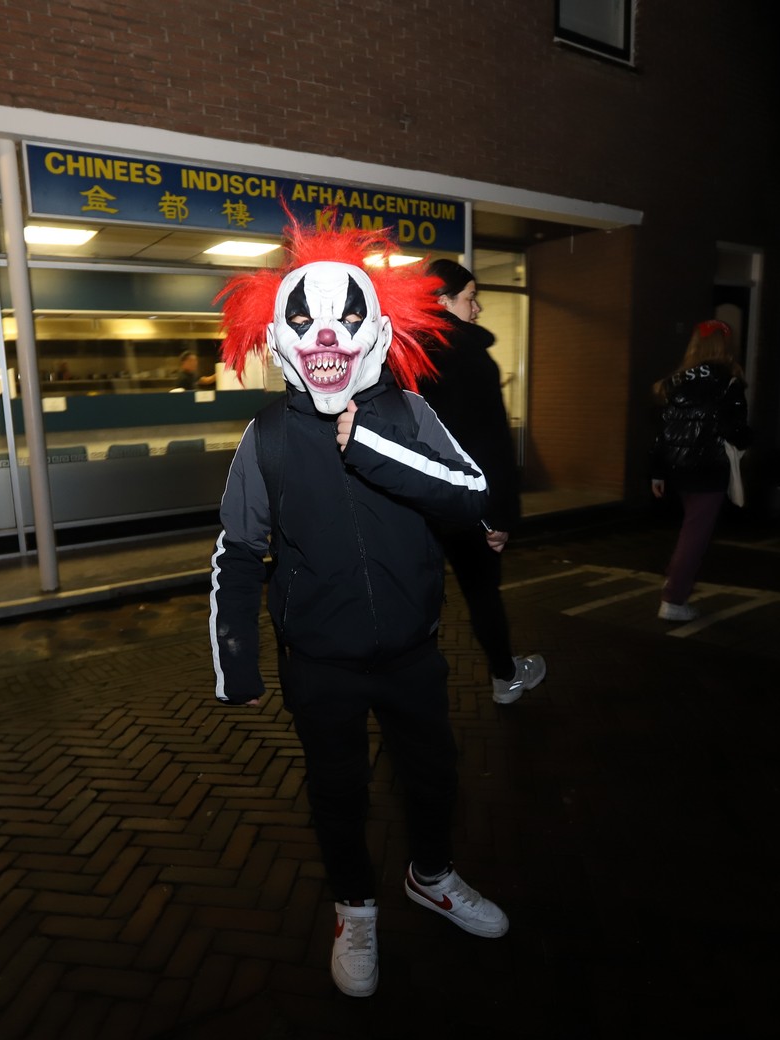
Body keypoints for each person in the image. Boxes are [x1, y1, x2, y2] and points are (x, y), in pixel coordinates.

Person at [209, 220, 510, 999]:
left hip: (413, 650)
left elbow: (470, 492)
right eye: (307, 322)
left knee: (434, 774)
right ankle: (356, 909)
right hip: (320, 662)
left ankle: (432, 877)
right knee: (337, 791)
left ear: (375, 328)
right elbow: (239, 549)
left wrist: (371, 444)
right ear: (281, 336)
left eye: (345, 319)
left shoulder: (409, 412)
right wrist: (236, 656)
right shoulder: (267, 435)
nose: (326, 337)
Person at [416, 259, 546, 704]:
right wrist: (498, 515)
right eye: (470, 298)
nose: (477, 308)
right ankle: (505, 676)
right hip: (467, 504)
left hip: (418, 501)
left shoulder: (405, 356)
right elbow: (489, 443)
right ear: (442, 302)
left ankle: (411, 691)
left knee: (417, 597)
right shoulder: (468, 357)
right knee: (482, 592)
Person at [649, 318, 753, 622]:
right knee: (696, 534)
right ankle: (674, 599)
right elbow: (735, 430)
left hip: (677, 468)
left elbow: (661, 433)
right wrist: (748, 440)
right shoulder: (729, 382)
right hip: (709, 469)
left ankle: (674, 580)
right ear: (725, 345)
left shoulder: (674, 382)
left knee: (690, 528)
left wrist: (657, 472)